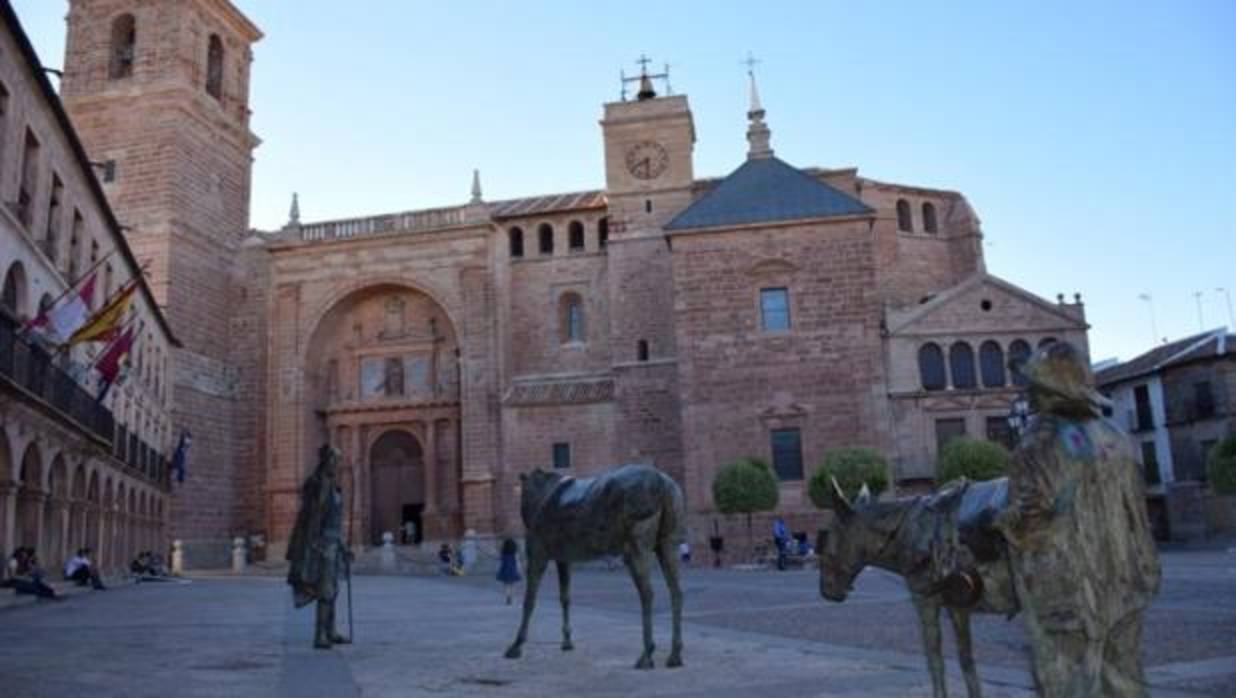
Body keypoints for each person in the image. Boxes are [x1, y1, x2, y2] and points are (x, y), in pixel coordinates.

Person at [997, 342, 1160, 697]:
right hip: (1125, 582)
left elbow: (1030, 520)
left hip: (1065, 587)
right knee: (1125, 679)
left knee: (1068, 682)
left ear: (1045, 390)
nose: (1027, 393)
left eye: (1031, 386)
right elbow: (1137, 513)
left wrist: (1002, 522)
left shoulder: (1040, 441)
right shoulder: (1116, 438)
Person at [287, 444, 351, 649]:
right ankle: (320, 635)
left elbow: (334, 521)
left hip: (333, 543)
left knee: (334, 590)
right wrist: (315, 543)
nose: (338, 464)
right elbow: (312, 518)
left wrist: (343, 545)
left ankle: (330, 631)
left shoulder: (334, 486)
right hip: (322, 545)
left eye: (339, 460)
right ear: (327, 460)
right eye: (335, 459)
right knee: (325, 590)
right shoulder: (317, 484)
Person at [496, 538, 521, 605]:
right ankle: (511, 596)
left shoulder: (503, 554)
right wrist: (519, 570)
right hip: (513, 570)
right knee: (512, 585)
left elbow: (500, 562)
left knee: (506, 585)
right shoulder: (515, 554)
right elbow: (517, 562)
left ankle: (508, 596)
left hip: (505, 570)